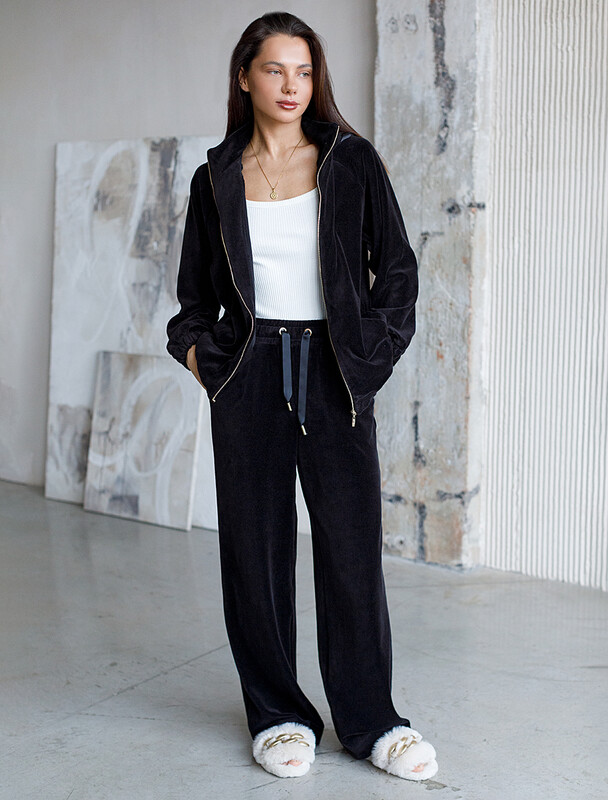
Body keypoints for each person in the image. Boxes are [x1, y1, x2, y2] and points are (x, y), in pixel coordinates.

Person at [166, 11, 438, 782]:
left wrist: (366, 361)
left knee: (350, 550)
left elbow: (399, 273)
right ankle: (278, 713)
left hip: (333, 371)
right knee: (254, 551)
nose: (292, 86)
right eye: (275, 69)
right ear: (245, 76)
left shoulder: (350, 161)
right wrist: (206, 360)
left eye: (305, 71)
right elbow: (193, 298)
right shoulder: (215, 176)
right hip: (249, 371)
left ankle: (372, 721)